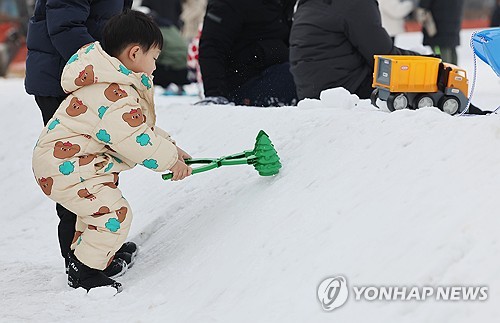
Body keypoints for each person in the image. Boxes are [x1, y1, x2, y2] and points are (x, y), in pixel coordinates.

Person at [32, 9, 193, 293]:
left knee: (94, 215)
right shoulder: (111, 92)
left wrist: (173, 148)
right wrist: (169, 161)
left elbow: (138, 128)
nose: (155, 67)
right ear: (134, 54)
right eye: (154, 58)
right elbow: (134, 139)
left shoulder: (113, 84)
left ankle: (97, 258)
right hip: (66, 166)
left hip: (73, 163)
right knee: (113, 215)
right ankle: (84, 272)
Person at [24, 0, 137, 278]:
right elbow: (65, 26)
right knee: (74, 173)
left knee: (98, 166)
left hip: (86, 79)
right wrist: (108, 69)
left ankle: (97, 249)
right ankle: (78, 260)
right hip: (63, 82)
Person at [290, 0, 416, 101]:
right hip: (346, 89)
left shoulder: (308, 4)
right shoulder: (355, 4)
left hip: (311, 91)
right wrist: (425, 60)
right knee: (418, 87)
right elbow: (384, 57)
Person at [196, 0, 298, 107]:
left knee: (307, 74)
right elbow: (213, 46)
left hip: (276, 71)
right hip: (243, 84)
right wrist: (215, 94)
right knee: (300, 79)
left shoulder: (279, 4)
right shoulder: (230, 4)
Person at [417, 0, 464, 65]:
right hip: (453, 27)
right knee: (452, 53)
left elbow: (423, 6)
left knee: (442, 57)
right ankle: (454, 74)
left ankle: (445, 74)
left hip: (437, 30)